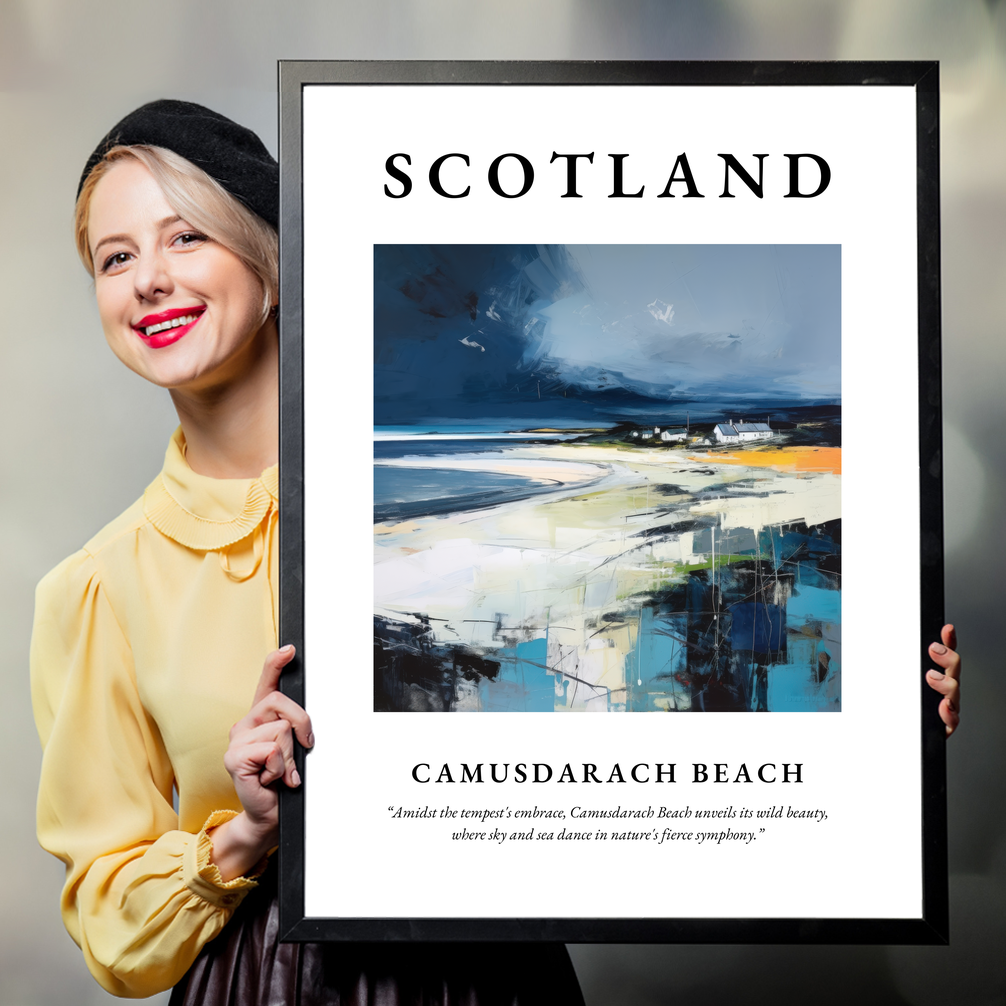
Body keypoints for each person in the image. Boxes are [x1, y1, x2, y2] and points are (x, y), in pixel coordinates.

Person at [30, 100, 585, 1004]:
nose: (148, 281)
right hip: (263, 981)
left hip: (492, 972)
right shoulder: (98, 587)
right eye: (116, 257)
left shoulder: (462, 494)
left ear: (273, 264)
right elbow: (110, 924)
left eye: (185, 239)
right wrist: (245, 832)